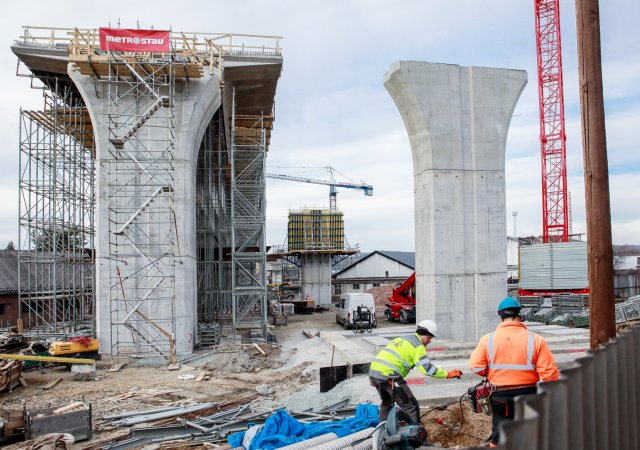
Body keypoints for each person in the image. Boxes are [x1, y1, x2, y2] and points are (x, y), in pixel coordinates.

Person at [469, 297, 560, 448]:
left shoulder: (488, 339)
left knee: (498, 438)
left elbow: (476, 367)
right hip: (529, 395)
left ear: (501, 316)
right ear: (520, 315)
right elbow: (550, 375)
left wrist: (490, 372)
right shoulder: (536, 340)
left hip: (500, 397)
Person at [369, 319, 463, 424]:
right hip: (390, 376)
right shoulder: (417, 345)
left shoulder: (403, 339)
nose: (429, 341)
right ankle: (417, 438)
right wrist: (448, 374)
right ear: (424, 334)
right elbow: (427, 369)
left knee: (386, 403)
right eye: (429, 338)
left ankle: (383, 435)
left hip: (374, 374)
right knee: (411, 406)